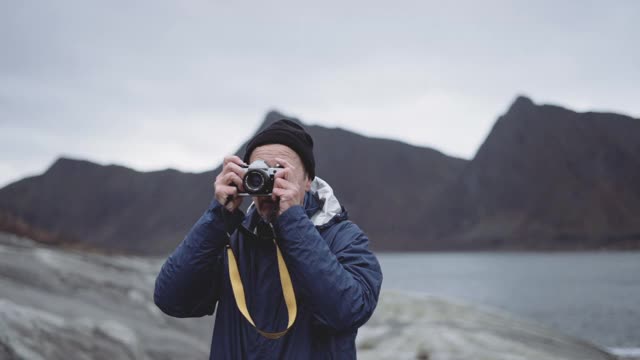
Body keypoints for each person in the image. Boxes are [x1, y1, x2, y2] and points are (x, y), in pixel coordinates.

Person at [154, 119, 383, 359]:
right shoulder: (230, 237)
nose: (271, 185)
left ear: (307, 181)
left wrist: (293, 223)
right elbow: (171, 300)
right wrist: (217, 216)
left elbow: (348, 312)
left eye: (281, 172)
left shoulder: (345, 238)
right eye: (260, 172)